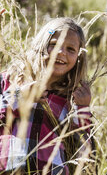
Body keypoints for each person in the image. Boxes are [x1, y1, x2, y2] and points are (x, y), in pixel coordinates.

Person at [0, 17, 93, 174]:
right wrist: (20, 97)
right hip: (8, 168)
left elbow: (81, 149)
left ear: (79, 57)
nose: (61, 52)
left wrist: (83, 108)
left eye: (71, 49)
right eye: (53, 44)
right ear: (40, 45)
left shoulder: (71, 98)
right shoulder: (10, 80)